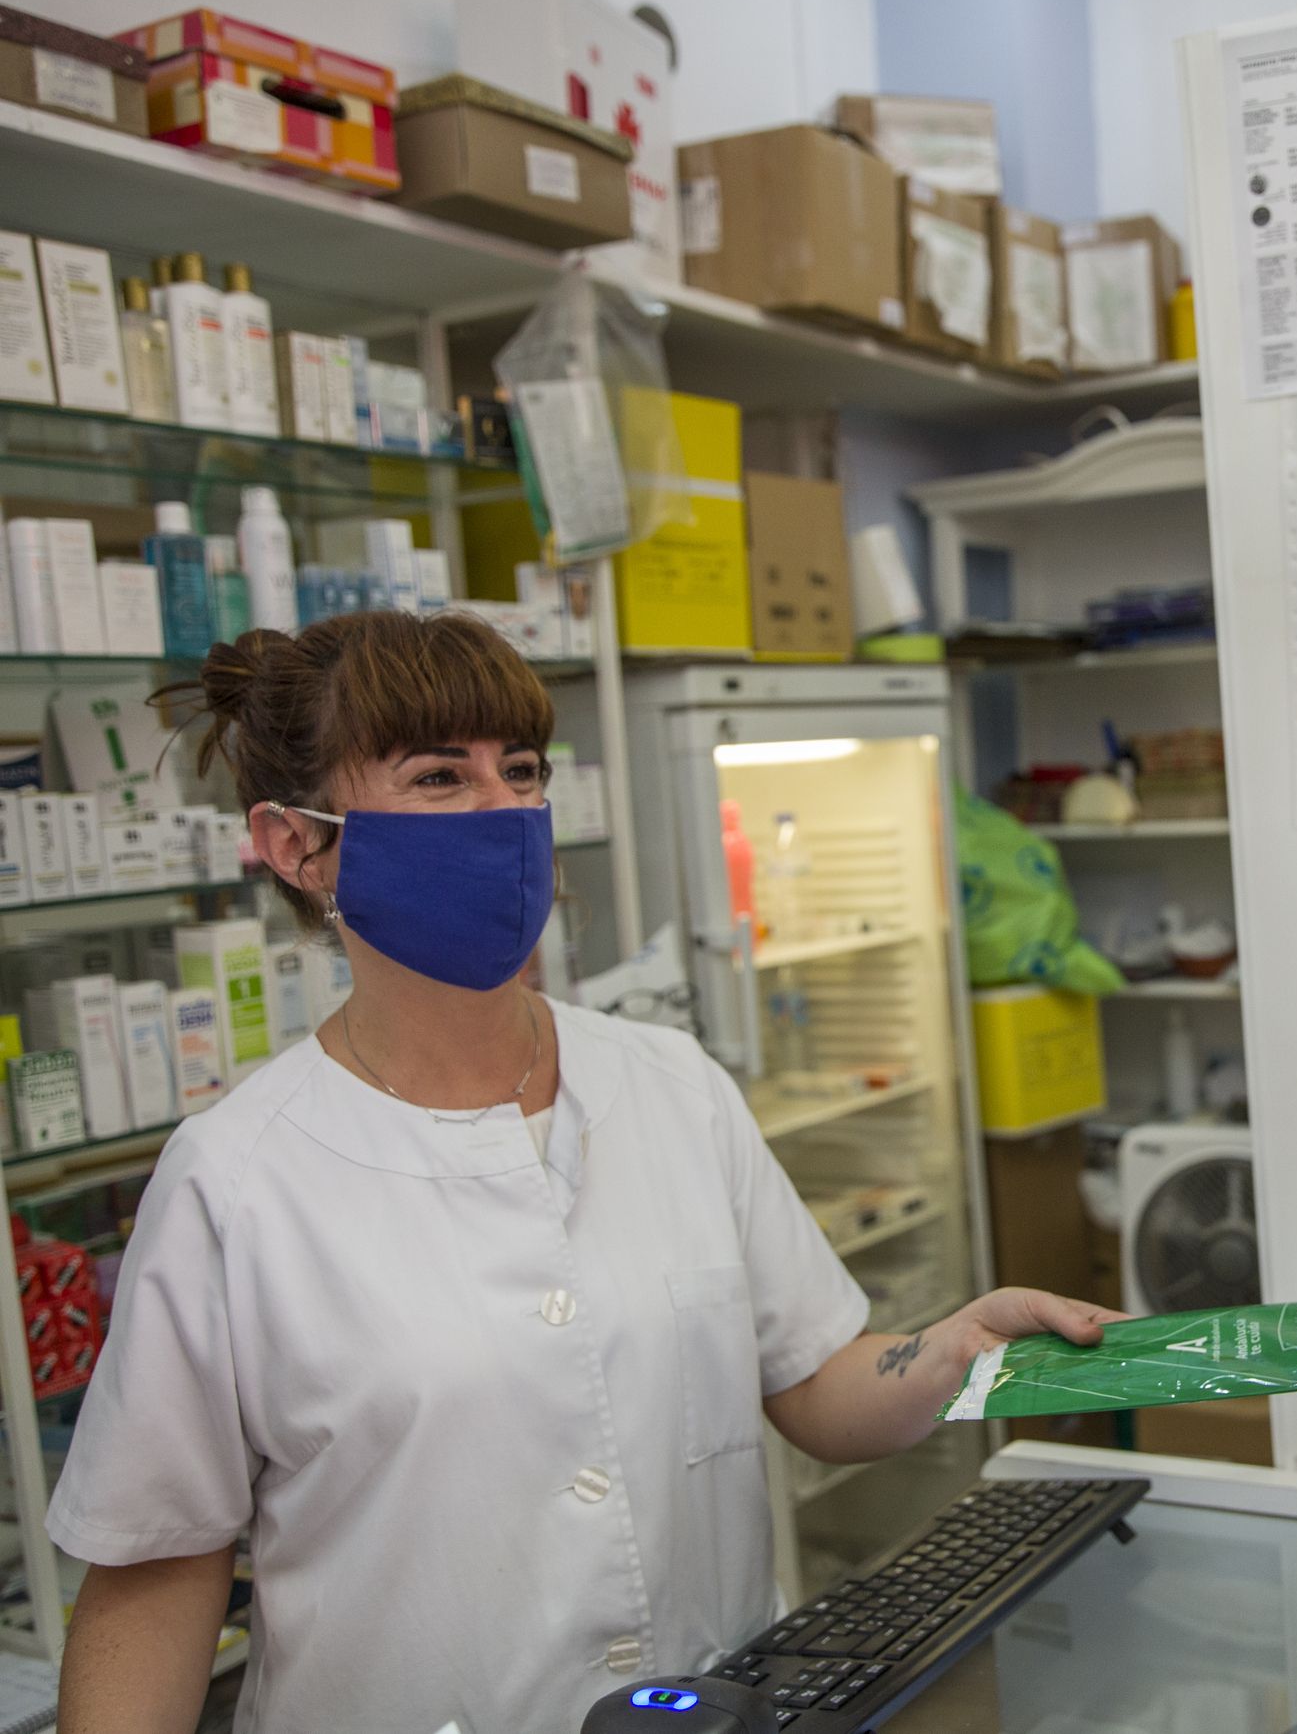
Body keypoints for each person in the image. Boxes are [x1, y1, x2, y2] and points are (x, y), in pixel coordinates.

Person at [49, 612, 1120, 1734]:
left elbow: (810, 1380)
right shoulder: (236, 1180)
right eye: (436, 777)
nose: (503, 809)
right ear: (294, 844)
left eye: (519, 769)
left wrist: (950, 1351)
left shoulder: (667, 1083)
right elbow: (157, 1568)